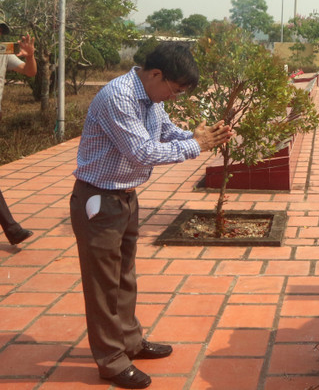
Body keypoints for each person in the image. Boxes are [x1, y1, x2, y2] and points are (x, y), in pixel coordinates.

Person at [70, 42, 234, 389]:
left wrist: (197, 136)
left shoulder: (149, 97)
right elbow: (142, 152)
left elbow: (164, 132)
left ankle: (129, 341)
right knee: (102, 285)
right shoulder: (119, 97)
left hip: (124, 197)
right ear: (155, 74)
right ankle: (111, 361)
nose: (173, 97)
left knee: (124, 276)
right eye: (173, 89)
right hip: (99, 199)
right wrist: (196, 146)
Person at [0, 22, 37, 246]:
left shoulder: (4, 50)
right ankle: (12, 229)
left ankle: (12, 229)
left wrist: (30, 55)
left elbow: (29, 72)